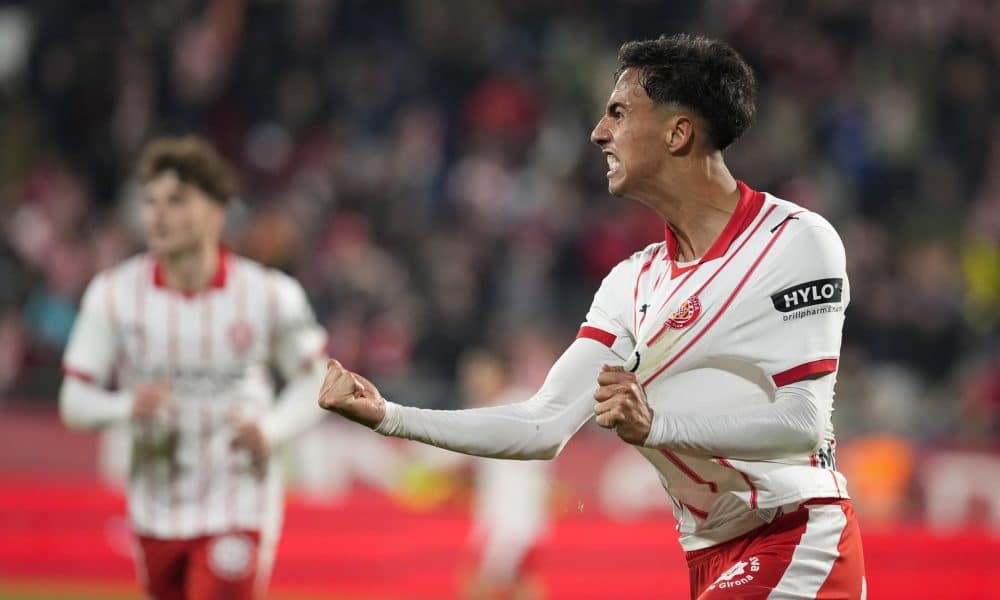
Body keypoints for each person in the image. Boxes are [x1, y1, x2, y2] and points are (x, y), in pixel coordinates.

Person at [318, 33, 866, 600]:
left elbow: (801, 422)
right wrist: (389, 415)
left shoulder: (794, 241)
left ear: (679, 133)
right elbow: (542, 425)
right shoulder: (633, 282)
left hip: (799, 535)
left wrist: (657, 426)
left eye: (619, 113)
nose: (599, 132)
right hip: (708, 553)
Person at [59, 136, 328, 600]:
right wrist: (127, 408)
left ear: (217, 213)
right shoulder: (113, 294)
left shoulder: (268, 294)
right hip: (155, 503)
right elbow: (74, 401)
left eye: (178, 200)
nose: (158, 215)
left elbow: (319, 380)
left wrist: (272, 431)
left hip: (238, 499)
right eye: (150, 202)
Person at [457, 346, 550, 600]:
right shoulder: (484, 409)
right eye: (470, 376)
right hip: (503, 516)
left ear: (499, 373)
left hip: (512, 520)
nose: (475, 382)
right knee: (523, 582)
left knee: (478, 584)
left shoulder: (518, 403)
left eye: (480, 374)